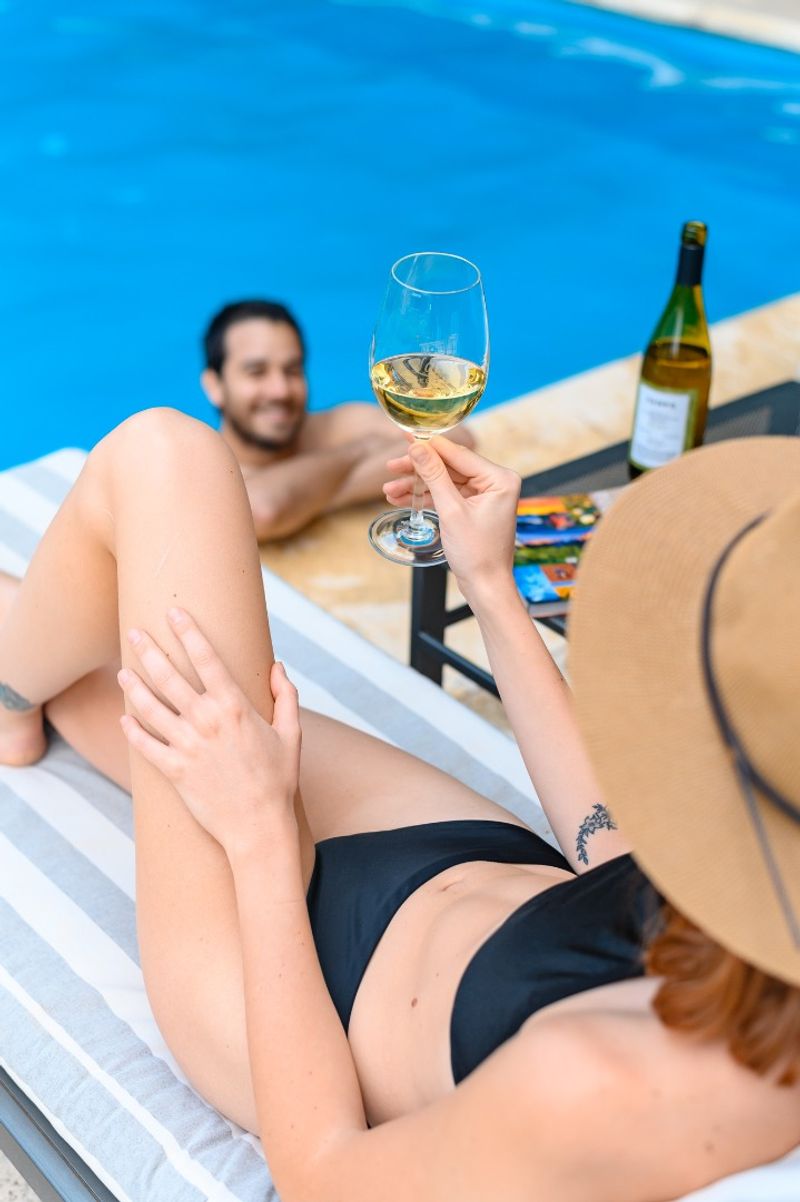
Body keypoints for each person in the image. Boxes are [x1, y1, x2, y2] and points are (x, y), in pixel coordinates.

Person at [0, 407, 798, 1202]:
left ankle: (9, 690)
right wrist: (488, 582)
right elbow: (614, 851)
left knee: (158, 484)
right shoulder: (759, 886)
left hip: (303, 1003)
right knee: (157, 566)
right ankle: (14, 686)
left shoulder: (607, 1083)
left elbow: (322, 1175)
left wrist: (261, 833)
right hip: (463, 856)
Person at [200, 299, 474, 540]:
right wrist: (361, 449)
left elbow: (457, 439)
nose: (280, 390)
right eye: (256, 372)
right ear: (214, 386)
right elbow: (261, 511)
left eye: (292, 370)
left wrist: (304, 501)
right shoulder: (204, 472)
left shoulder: (335, 425)